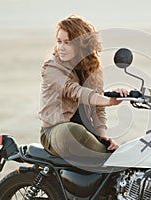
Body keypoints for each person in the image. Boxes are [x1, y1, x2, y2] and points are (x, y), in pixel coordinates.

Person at [39, 15, 128, 168]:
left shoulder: (93, 69)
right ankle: (111, 158)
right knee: (73, 132)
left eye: (67, 43)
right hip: (55, 131)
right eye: (59, 41)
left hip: (86, 132)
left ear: (81, 45)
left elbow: (98, 110)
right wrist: (108, 101)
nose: (61, 47)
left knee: (106, 146)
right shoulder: (51, 67)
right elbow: (74, 90)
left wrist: (102, 138)